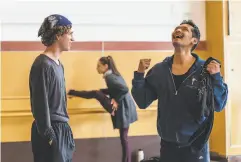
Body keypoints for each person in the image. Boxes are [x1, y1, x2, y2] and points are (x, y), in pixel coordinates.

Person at [131, 20, 228, 162]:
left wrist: (216, 77)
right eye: (176, 28)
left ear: (193, 41)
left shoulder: (205, 70)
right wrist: (139, 74)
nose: (178, 30)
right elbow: (142, 101)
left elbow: (219, 104)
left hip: (197, 146)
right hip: (168, 146)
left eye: (184, 29)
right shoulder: (160, 70)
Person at [68, 56, 138, 162]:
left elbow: (124, 89)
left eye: (99, 66)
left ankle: (72, 93)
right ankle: (73, 93)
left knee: (124, 139)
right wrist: (104, 92)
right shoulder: (113, 74)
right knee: (124, 139)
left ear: (106, 66)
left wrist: (116, 100)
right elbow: (115, 90)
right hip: (125, 109)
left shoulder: (110, 77)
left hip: (121, 109)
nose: (97, 68)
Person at [29, 14, 75, 162]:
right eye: (70, 34)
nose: (73, 39)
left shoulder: (59, 65)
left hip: (62, 129)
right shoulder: (42, 64)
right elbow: (40, 104)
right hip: (50, 131)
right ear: (58, 35)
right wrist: (49, 136)